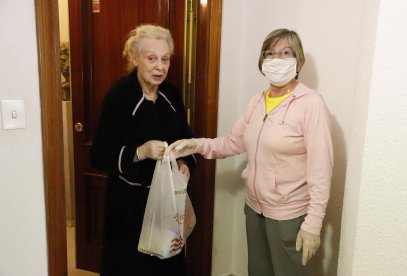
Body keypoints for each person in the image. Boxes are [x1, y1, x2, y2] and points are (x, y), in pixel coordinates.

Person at [169, 28, 333, 276]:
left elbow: (321, 169)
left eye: (285, 52)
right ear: (262, 61)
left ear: (297, 60)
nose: (276, 59)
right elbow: (234, 142)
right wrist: (196, 144)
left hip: (289, 216)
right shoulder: (257, 101)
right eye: (270, 53)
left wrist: (313, 223)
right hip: (254, 209)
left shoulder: (311, 104)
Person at [89, 24, 196, 276]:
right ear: (134, 58)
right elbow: (98, 155)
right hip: (128, 206)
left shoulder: (171, 94)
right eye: (151, 58)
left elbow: (187, 139)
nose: (160, 66)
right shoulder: (119, 97)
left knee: (168, 265)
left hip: (167, 202)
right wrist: (139, 152)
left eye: (165, 59)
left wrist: (186, 164)